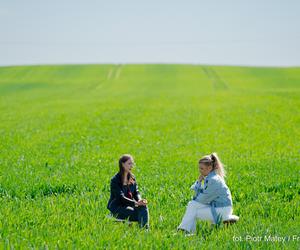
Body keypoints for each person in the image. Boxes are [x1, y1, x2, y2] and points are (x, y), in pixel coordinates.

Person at [178, 152, 239, 234]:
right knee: (192, 205)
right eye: (199, 168)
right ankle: (187, 231)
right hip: (220, 207)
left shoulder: (213, 180)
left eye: (202, 168)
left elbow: (203, 199)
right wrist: (199, 181)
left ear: (210, 168)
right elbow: (201, 195)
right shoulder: (211, 178)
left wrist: (197, 189)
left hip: (222, 209)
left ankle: (185, 231)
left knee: (193, 210)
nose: (200, 171)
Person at [107, 154, 149, 229]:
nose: (131, 166)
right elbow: (120, 197)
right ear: (122, 164)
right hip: (117, 208)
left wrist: (140, 200)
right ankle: (144, 230)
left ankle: (145, 230)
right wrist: (135, 203)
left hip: (129, 205)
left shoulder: (132, 177)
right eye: (129, 163)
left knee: (143, 207)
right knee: (141, 214)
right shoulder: (115, 180)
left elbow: (136, 192)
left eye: (132, 163)